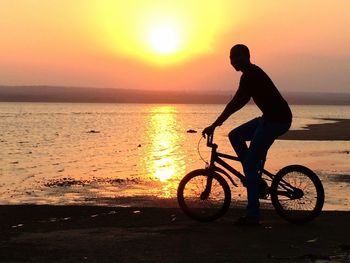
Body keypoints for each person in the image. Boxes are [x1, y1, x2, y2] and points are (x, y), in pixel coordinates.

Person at [202, 44, 292, 226]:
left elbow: (237, 102)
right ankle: (251, 175)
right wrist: (217, 123)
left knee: (251, 165)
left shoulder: (251, 75)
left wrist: (215, 123)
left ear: (247, 56)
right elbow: (237, 101)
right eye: (231, 58)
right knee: (235, 135)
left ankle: (253, 215)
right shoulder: (248, 75)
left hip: (277, 121)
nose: (233, 61)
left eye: (237, 57)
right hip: (268, 119)